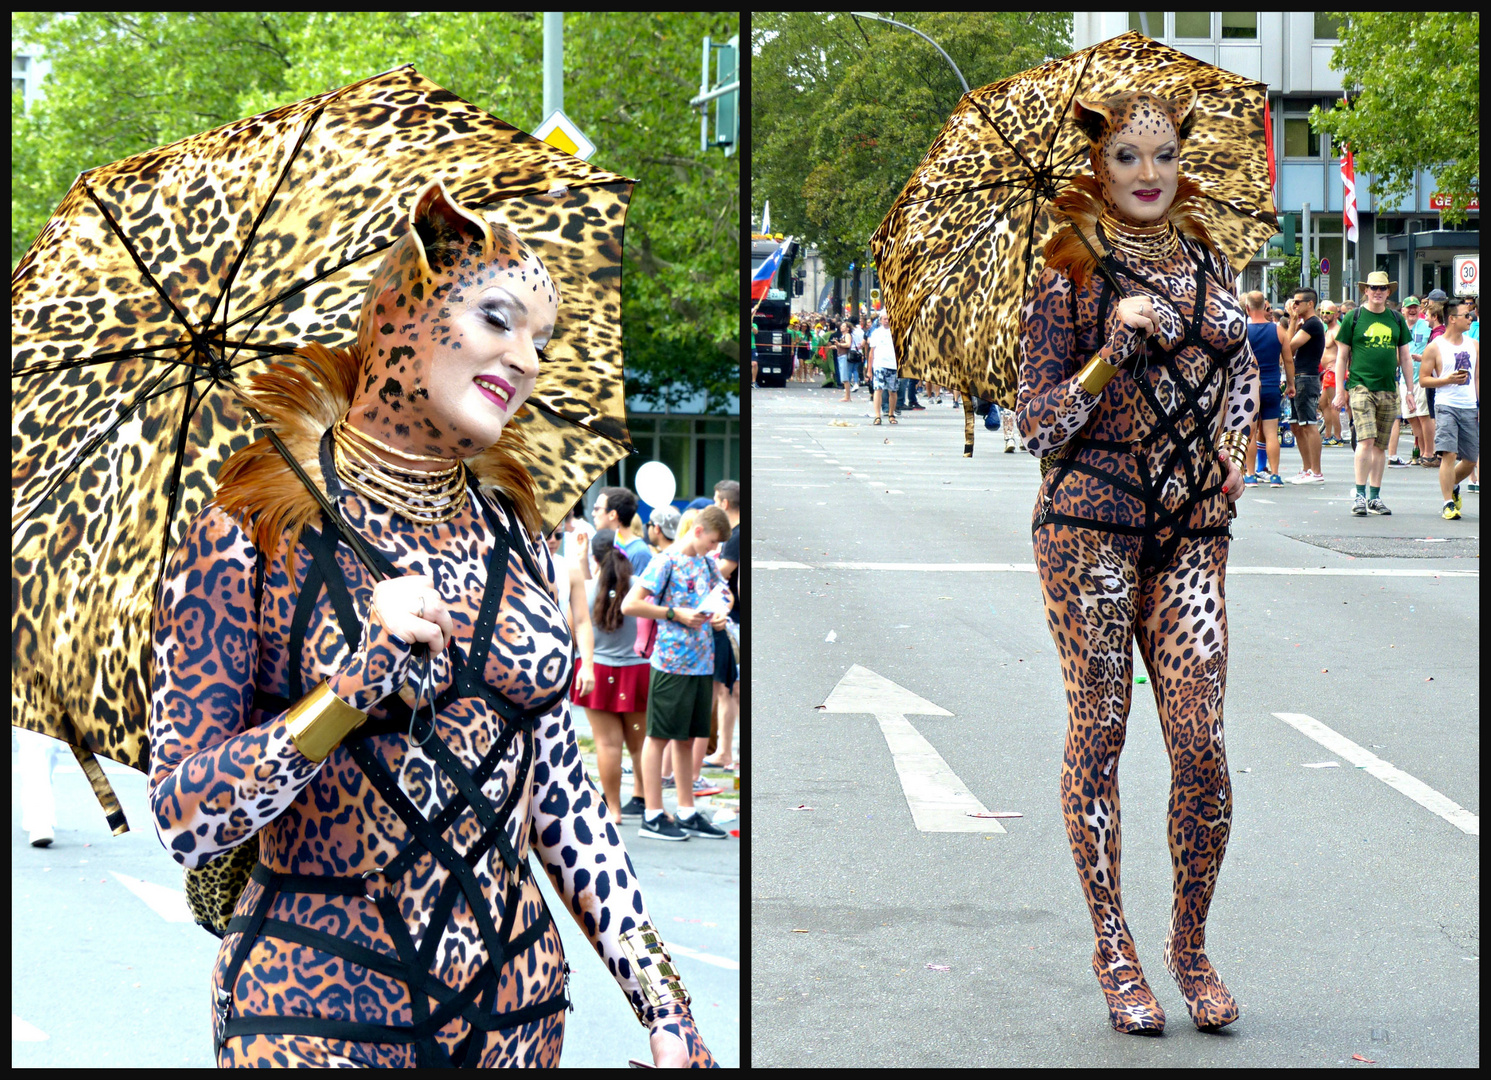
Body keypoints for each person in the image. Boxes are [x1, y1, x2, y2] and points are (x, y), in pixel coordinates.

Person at [150, 179, 712, 1067]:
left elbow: (560, 788)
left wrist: (663, 1005)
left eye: (541, 338)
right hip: (316, 1011)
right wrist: (349, 688)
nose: (526, 358)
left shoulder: (510, 530)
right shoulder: (248, 529)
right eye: (497, 319)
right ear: (403, 314)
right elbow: (186, 817)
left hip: (519, 1019)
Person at [1016, 89, 1252, 1034]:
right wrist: (1112, 347)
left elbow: (1240, 365)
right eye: (1126, 156)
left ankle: (1189, 949)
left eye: (1161, 154)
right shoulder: (1064, 272)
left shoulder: (1209, 259)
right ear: (1097, 165)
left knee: (1201, 748)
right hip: (1088, 526)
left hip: (1192, 529)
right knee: (1102, 728)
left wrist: (1237, 448)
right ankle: (1113, 949)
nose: (1147, 173)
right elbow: (1039, 426)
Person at [621, 506, 733, 842]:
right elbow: (630, 604)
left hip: (702, 662)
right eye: (712, 542)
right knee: (659, 737)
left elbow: (723, 595)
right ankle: (653, 813)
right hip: (671, 663)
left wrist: (721, 614)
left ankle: (686, 810)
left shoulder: (707, 563)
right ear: (698, 531)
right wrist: (674, 613)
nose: (714, 550)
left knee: (685, 738)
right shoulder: (665, 561)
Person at [571, 530, 652, 824]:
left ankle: (614, 810)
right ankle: (648, 803)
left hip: (597, 672)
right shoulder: (639, 588)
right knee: (641, 745)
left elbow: (572, 629)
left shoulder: (587, 589)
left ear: (594, 557)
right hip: (637, 673)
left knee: (607, 745)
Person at [1331, 271, 1416, 515]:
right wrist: (1340, 391)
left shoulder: (1396, 320)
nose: (1377, 292)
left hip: (1389, 388)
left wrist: (1410, 391)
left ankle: (1374, 497)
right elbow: (1342, 357)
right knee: (1366, 440)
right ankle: (1359, 494)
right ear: (1365, 291)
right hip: (1361, 386)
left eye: (1382, 288)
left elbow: (1406, 358)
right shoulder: (1354, 318)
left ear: (1389, 292)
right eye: (1373, 288)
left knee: (1381, 445)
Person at [1418, 299, 1479, 520]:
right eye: (1466, 315)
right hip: (1446, 405)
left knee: (1471, 458)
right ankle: (1447, 503)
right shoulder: (1435, 347)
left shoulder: (1473, 345)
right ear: (1452, 319)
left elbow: (1478, 378)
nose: (1470, 318)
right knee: (1449, 453)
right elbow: (1424, 380)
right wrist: (1446, 380)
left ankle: (1451, 485)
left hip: (1469, 405)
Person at [705, 481, 741, 772]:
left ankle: (727, 752)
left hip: (734, 620)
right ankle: (727, 752)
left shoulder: (736, 536)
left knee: (728, 690)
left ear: (725, 504)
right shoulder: (736, 534)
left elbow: (722, 572)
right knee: (729, 690)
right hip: (732, 618)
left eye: (716, 500)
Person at [1242, 290, 1291, 484]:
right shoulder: (1278, 330)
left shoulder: (1244, 331)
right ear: (1265, 306)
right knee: (1271, 433)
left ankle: (1250, 474)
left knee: (1250, 433)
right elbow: (1288, 359)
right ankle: (1275, 475)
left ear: (1247, 308)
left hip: (1250, 387)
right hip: (1272, 386)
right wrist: (1291, 384)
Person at [1285, 289, 1327, 483]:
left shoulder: (1312, 324)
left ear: (1310, 303)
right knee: (1297, 425)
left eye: (1298, 302)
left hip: (1306, 377)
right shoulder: (1306, 323)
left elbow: (1288, 346)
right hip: (1298, 377)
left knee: (1309, 424)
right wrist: (1293, 321)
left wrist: (1293, 321)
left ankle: (1316, 471)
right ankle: (1306, 467)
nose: (1295, 306)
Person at [593, 486, 655, 574]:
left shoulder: (639, 553)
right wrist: (582, 559)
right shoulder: (608, 547)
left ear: (612, 514)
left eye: (597, 509)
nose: (593, 514)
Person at [867, 312, 899, 425]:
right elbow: (872, 352)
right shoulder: (876, 333)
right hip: (879, 364)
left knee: (893, 391)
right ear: (880, 320)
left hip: (893, 365)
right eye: (884, 319)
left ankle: (891, 414)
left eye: (888, 319)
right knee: (878, 389)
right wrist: (869, 370)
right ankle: (877, 416)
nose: (886, 321)